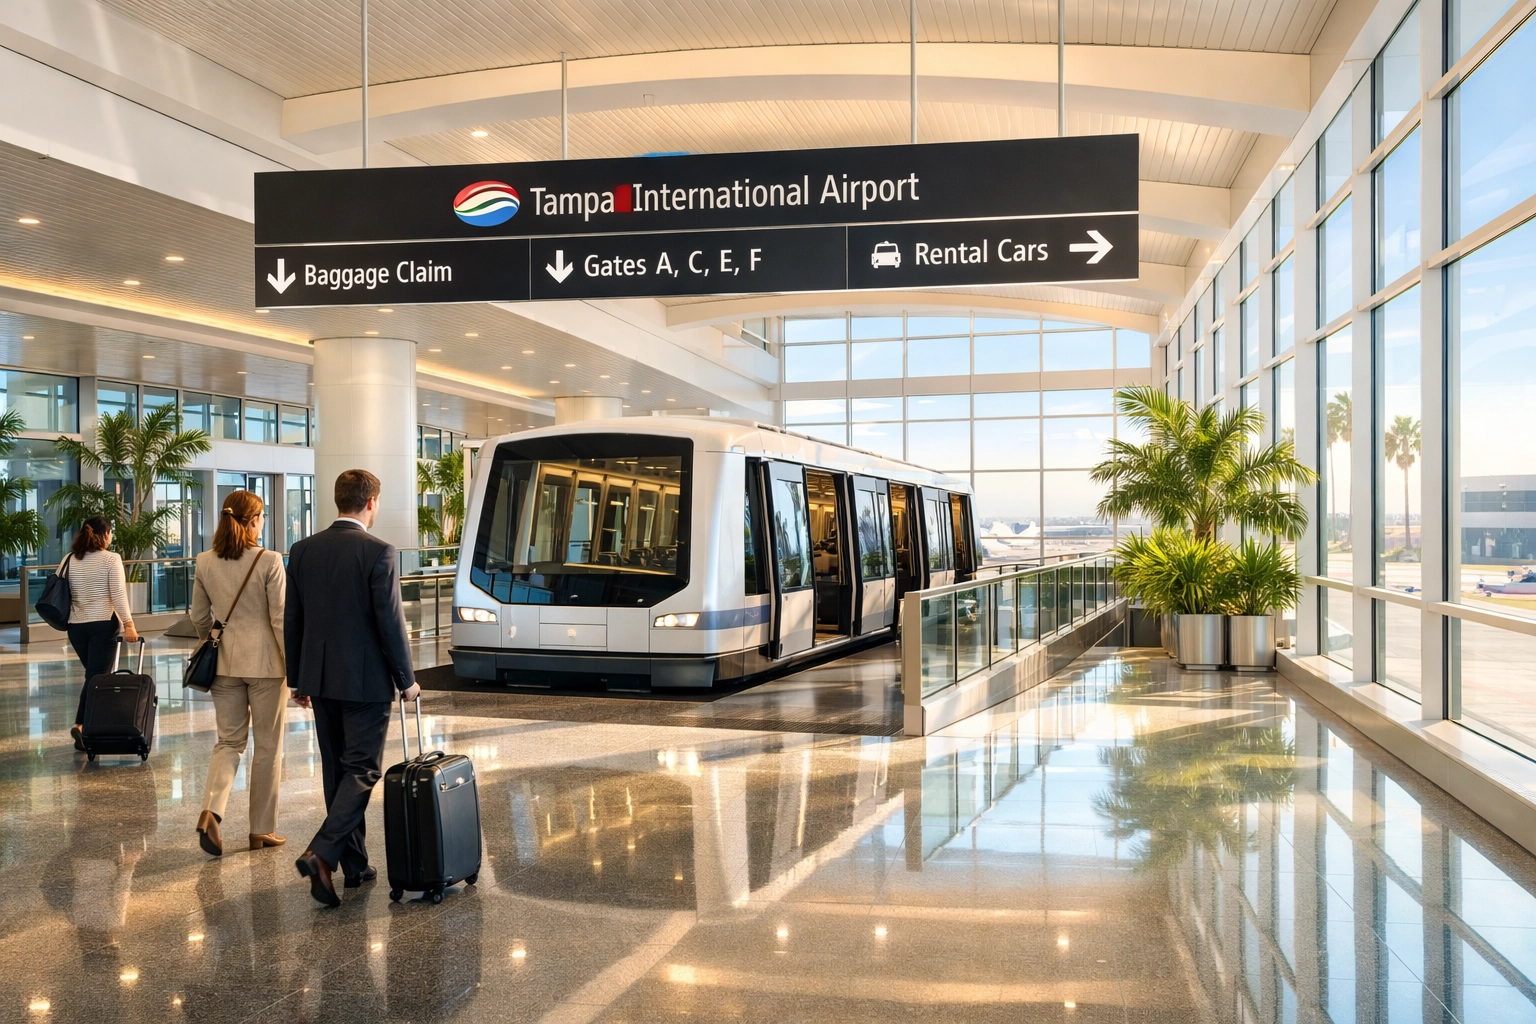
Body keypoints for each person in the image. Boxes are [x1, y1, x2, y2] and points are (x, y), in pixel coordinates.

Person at [286, 469, 419, 907]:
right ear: (371, 502)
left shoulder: (303, 550)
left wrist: (299, 679)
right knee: (362, 770)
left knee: (337, 771)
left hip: (321, 679)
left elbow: (295, 620)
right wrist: (408, 680)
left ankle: (354, 866)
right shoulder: (378, 551)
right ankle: (321, 852)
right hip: (365, 682)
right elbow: (390, 623)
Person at [190, 490, 289, 857]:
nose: (261, 523)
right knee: (267, 747)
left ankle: (211, 811)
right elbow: (280, 620)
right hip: (266, 667)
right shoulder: (269, 560)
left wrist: (216, 642)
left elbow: (199, 617)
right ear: (252, 521)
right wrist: (292, 668)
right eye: (261, 517)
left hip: (223, 665)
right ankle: (261, 830)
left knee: (229, 742)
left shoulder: (204, 561)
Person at [63, 516, 139, 751]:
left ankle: (92, 727)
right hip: (102, 625)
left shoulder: (69, 559)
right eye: (111, 532)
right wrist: (129, 623)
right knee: (96, 678)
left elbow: (61, 588)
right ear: (104, 535)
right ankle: (82, 725)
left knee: (94, 676)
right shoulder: (110, 559)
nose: (112, 537)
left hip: (75, 627)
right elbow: (117, 593)